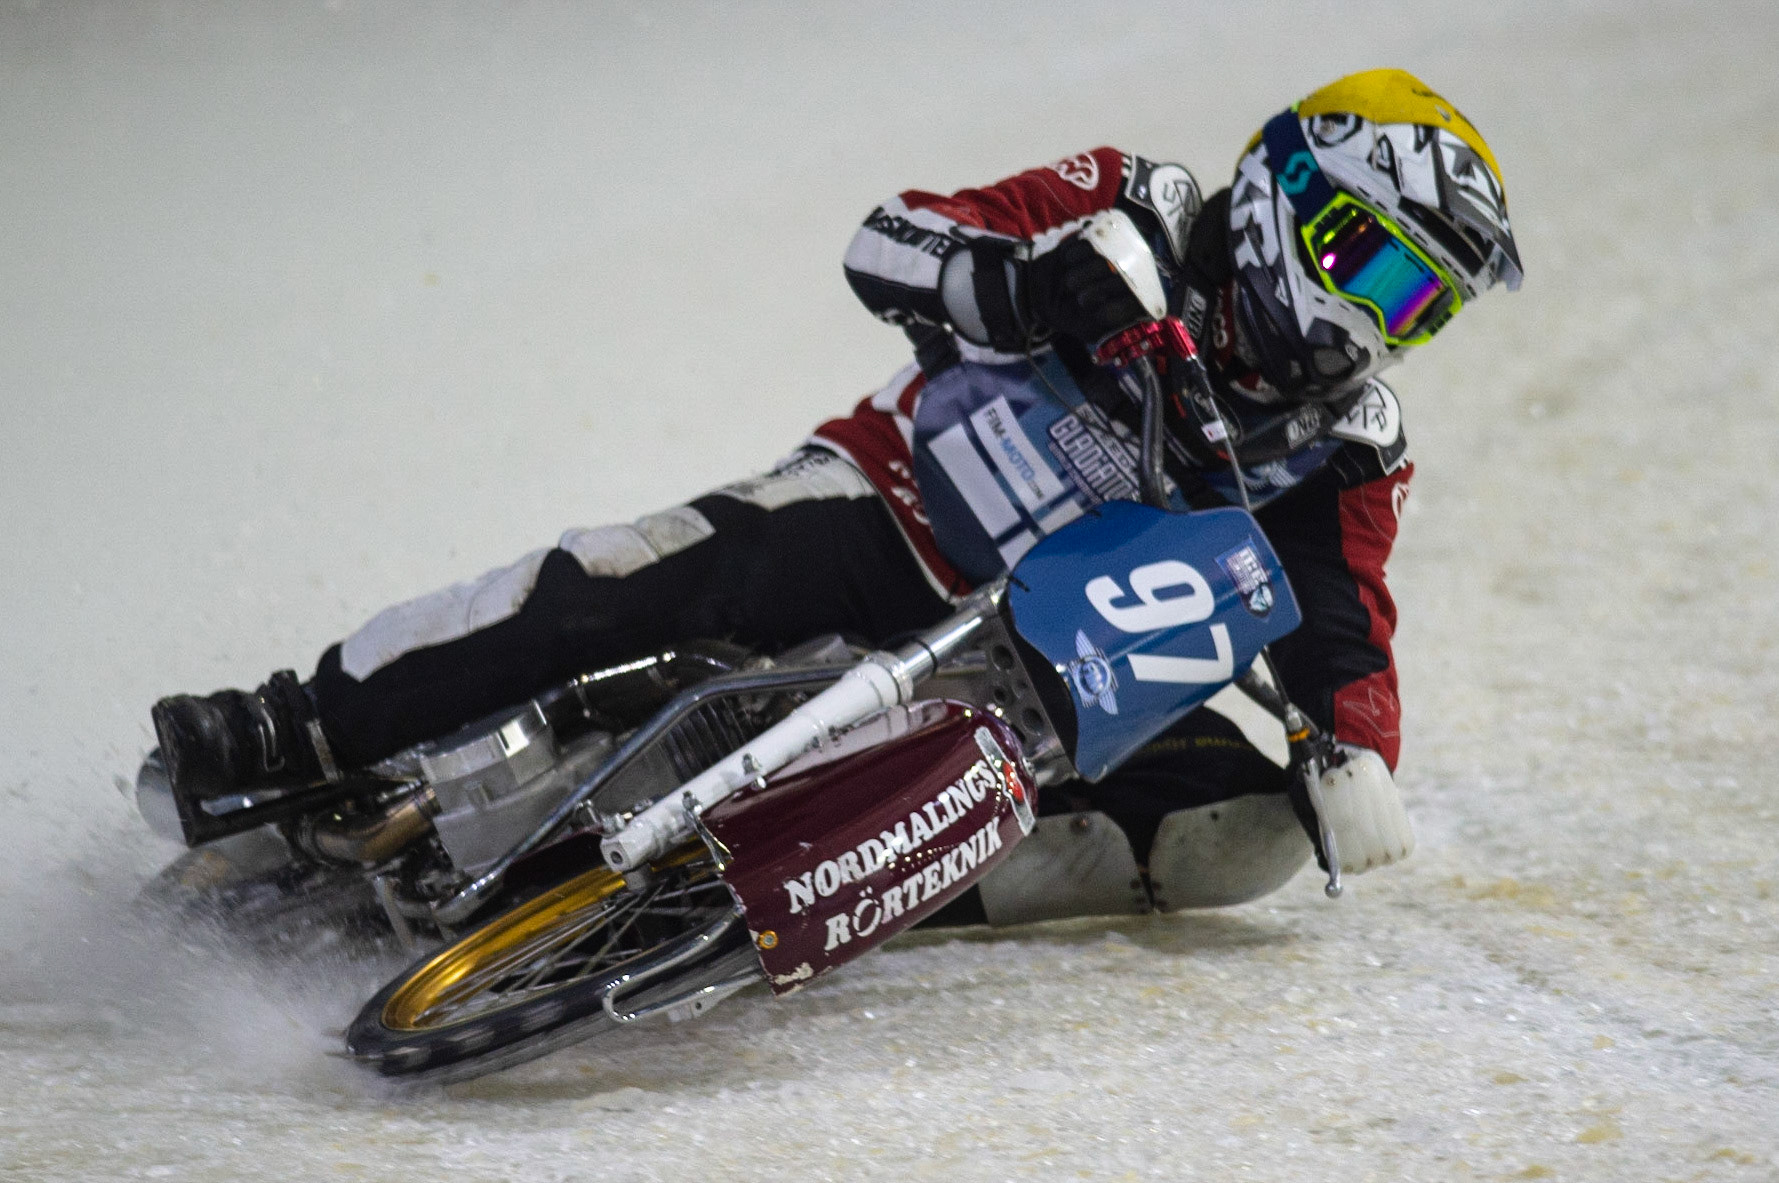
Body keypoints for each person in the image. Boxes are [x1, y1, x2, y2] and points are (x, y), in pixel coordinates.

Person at [150, 68, 1521, 885]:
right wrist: (1026, 283)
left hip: (1039, 664)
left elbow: (1346, 613)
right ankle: (293, 730)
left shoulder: (1348, 444)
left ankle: (814, 889)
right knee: (623, 582)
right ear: (1280, 189)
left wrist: (1355, 747)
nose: (1364, 321)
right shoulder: (1129, 207)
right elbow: (891, 241)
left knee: (1250, 824)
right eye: (1365, 260)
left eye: (1413, 303)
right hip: (887, 513)